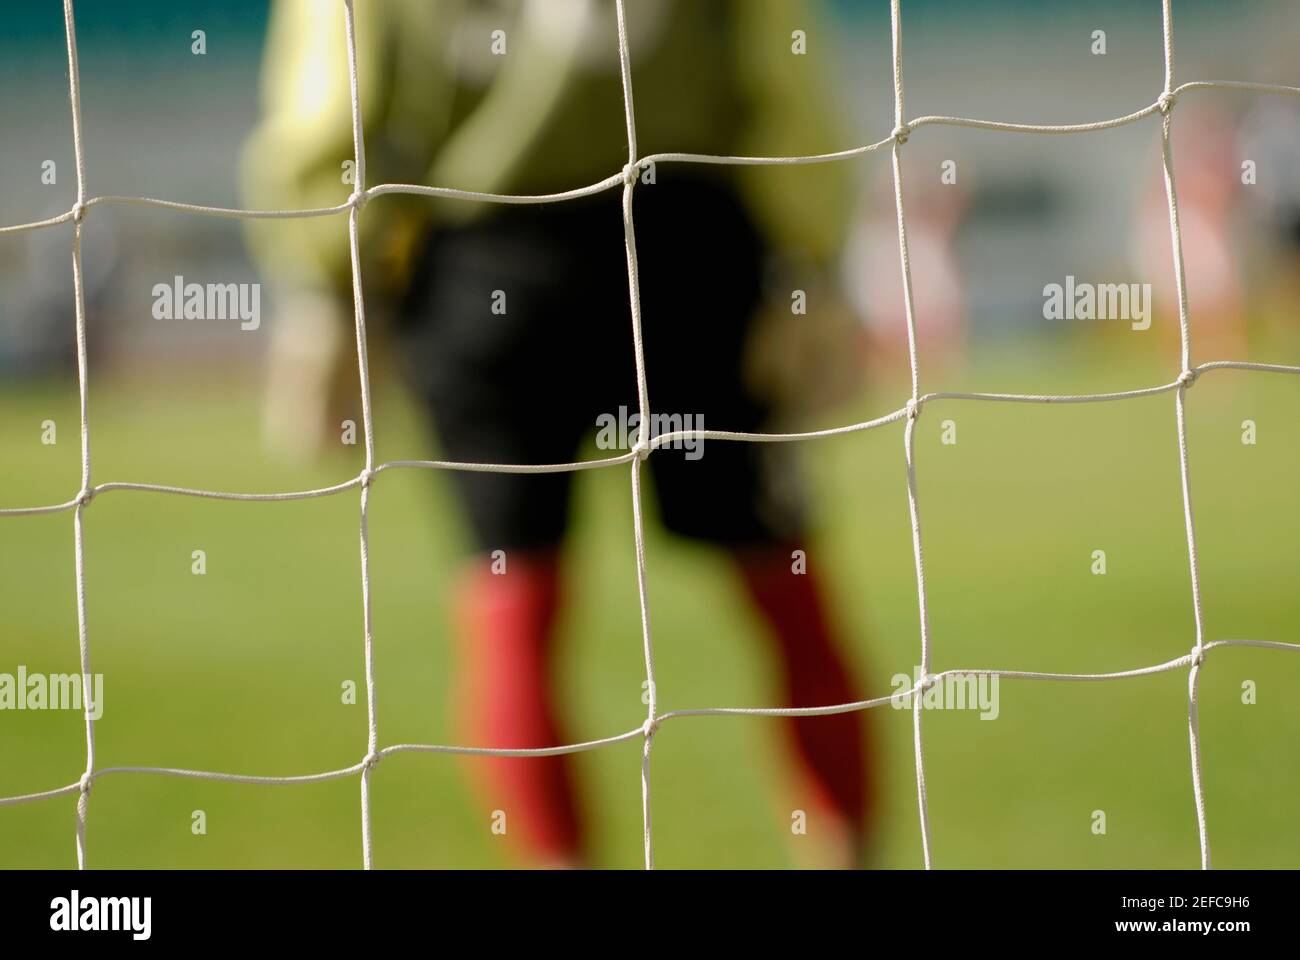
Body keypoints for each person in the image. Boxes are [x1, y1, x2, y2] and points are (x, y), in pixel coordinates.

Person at [242, 0, 873, 867]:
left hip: (484, 270)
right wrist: (811, 258)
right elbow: (782, 79)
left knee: (512, 605)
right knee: (783, 584)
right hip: (688, 262)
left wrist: (322, 282)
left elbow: (333, 103)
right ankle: (847, 851)